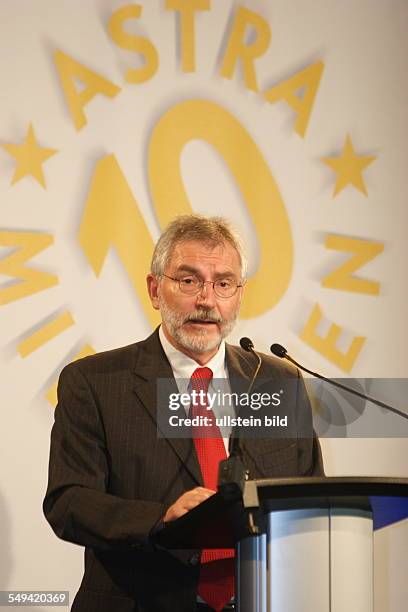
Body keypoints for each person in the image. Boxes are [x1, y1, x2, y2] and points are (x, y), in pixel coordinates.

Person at [44, 214, 323, 612]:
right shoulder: (95, 382)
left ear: (239, 295)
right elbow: (68, 502)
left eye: (223, 283)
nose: (207, 300)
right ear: (155, 290)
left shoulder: (279, 381)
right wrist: (160, 519)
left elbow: (309, 497)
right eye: (188, 280)